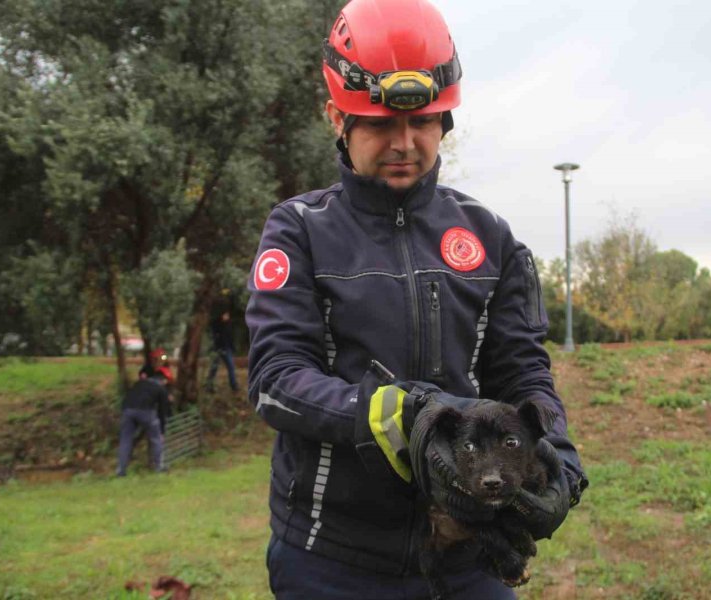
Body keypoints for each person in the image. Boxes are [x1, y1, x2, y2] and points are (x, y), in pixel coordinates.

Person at [245, 0, 588, 598]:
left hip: (470, 554)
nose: (404, 143)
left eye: (423, 122)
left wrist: (556, 451)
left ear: (445, 121)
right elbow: (276, 379)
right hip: (332, 560)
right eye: (379, 124)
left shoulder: (491, 237)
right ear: (337, 118)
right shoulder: (297, 229)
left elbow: (523, 371)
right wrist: (410, 413)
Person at [116, 366, 173, 476]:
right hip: (146, 412)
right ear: (163, 380)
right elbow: (162, 411)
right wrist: (162, 431)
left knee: (125, 440)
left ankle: (121, 470)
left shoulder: (139, 383)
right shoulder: (160, 388)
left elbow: (127, 397)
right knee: (156, 439)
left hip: (127, 411)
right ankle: (159, 467)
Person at [206, 290, 240, 393]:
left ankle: (210, 385)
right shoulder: (217, 321)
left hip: (223, 345)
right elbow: (216, 331)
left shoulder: (226, 321)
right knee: (225, 367)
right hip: (220, 345)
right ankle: (233, 386)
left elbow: (228, 334)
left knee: (217, 367)